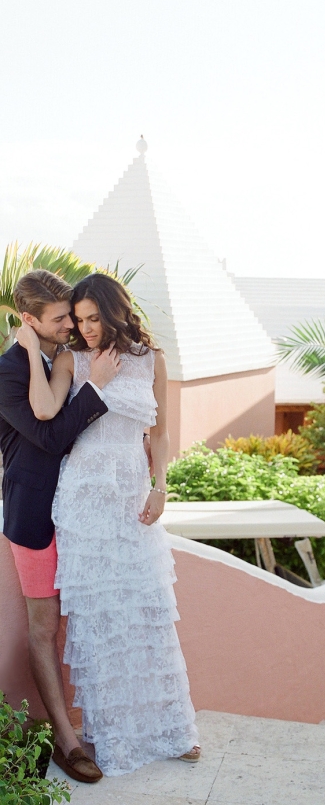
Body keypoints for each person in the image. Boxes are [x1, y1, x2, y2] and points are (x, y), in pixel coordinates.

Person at [17, 271, 200, 777]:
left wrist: (160, 485)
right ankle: (112, 737)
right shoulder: (72, 360)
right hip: (82, 506)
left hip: (130, 502)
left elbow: (159, 434)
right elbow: (46, 410)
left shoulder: (152, 361)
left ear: (115, 311)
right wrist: (34, 349)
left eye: (94, 318)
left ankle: (171, 730)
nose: (86, 328)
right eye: (78, 320)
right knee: (100, 628)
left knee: (148, 614)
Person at [0, 268, 122, 783]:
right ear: (29, 321)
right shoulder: (7, 372)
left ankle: (111, 725)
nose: (71, 324)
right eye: (59, 319)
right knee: (45, 628)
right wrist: (96, 390)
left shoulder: (64, 354)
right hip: (34, 516)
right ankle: (65, 740)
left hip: (82, 513)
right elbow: (49, 441)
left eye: (72, 314)